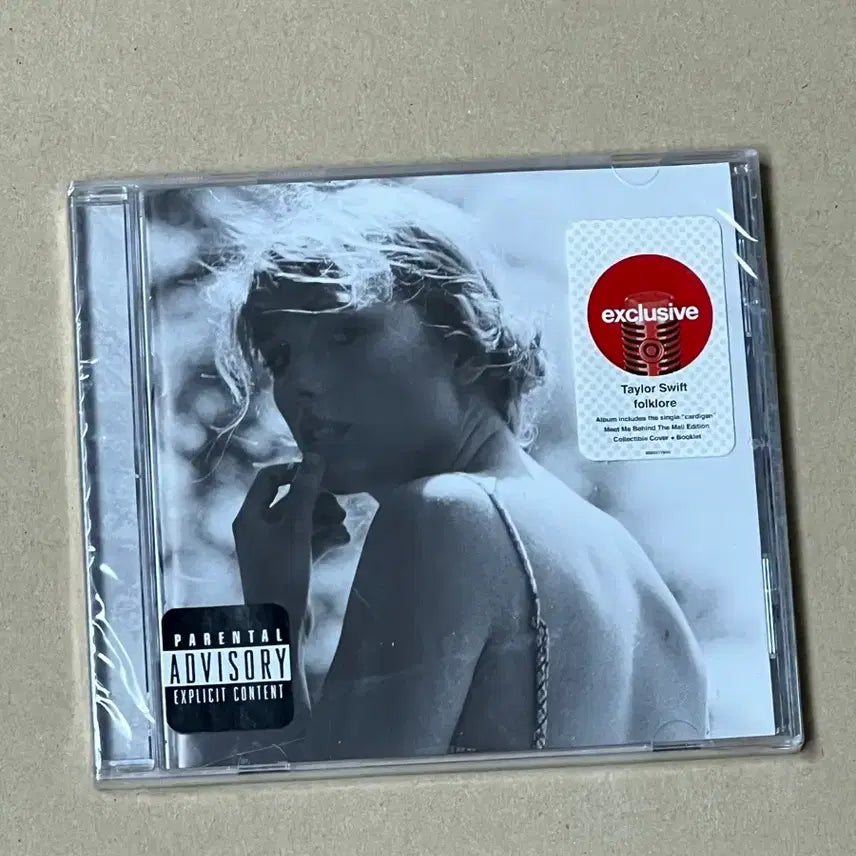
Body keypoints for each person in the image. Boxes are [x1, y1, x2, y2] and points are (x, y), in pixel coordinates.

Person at [209, 181, 708, 762]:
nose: (301, 382)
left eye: (345, 333)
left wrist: (266, 618)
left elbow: (312, 811)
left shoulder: (441, 516)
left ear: (464, 340)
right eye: (279, 357)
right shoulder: (632, 570)